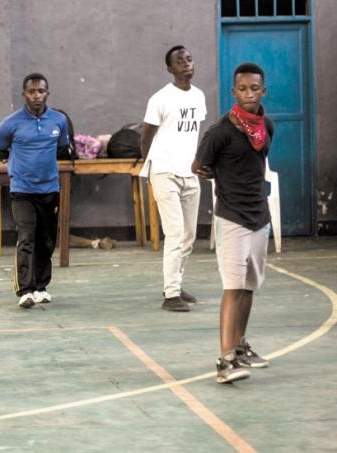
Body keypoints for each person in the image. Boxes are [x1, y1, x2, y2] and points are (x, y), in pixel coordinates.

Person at [192, 62, 272, 384]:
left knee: (250, 286)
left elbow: (259, 162)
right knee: (233, 287)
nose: (249, 94)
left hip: (259, 216)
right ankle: (225, 361)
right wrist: (216, 176)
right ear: (233, 92)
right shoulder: (221, 131)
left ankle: (240, 347)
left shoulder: (267, 125)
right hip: (232, 217)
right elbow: (199, 164)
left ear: (263, 91)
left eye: (255, 89)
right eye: (243, 89)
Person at [0, 73, 69, 308]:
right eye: (32, 91)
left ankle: (41, 287)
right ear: (24, 94)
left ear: (47, 93)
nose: (36, 95)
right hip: (22, 190)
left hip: (49, 189)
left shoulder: (58, 121)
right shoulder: (10, 123)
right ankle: (25, 290)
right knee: (26, 237)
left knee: (46, 240)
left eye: (41, 91)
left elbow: (62, 148)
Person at [140, 45, 207, 312]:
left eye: (189, 59)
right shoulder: (160, 99)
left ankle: (175, 283)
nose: (186, 63)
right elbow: (145, 136)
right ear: (170, 68)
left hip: (189, 171)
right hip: (164, 171)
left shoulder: (199, 96)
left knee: (189, 235)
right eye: (180, 61)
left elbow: (195, 136)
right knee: (175, 232)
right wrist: (151, 167)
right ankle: (170, 295)